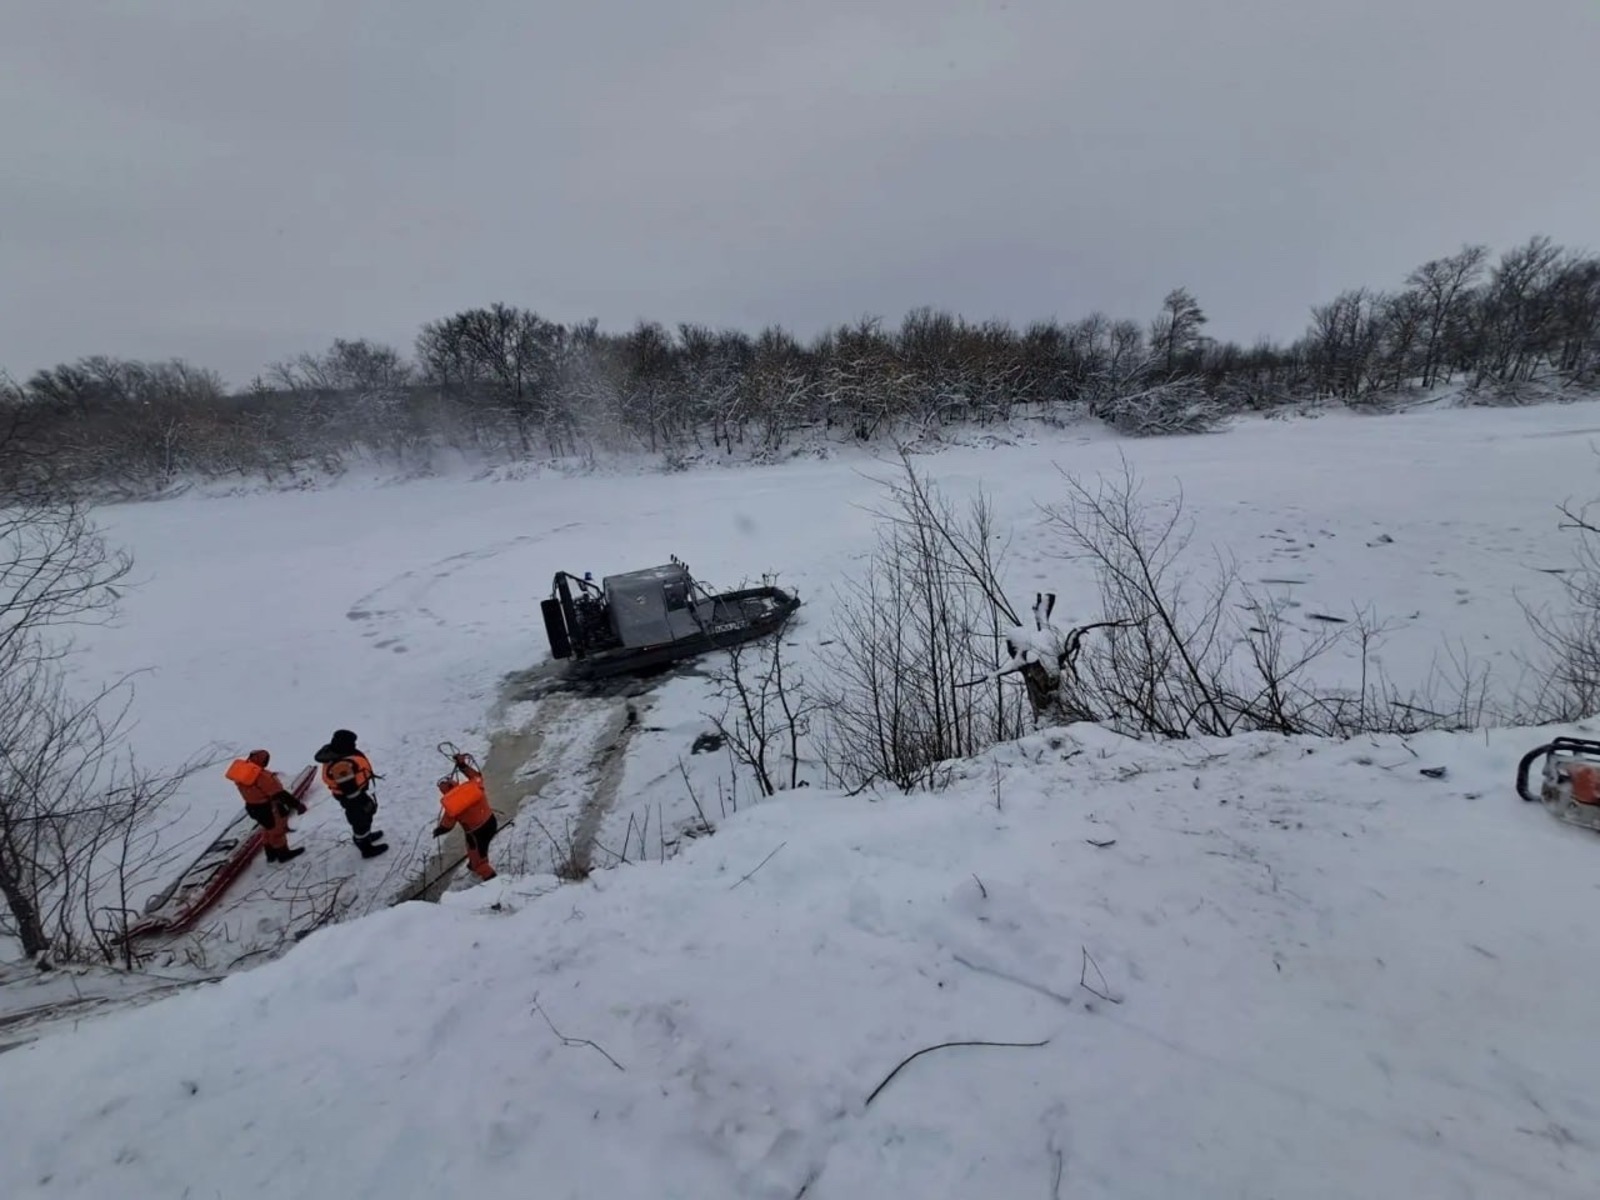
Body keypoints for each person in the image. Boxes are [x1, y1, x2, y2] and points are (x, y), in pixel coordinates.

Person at [312, 729, 389, 858]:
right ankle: (365, 848)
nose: (355, 745)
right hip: (352, 797)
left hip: (355, 793)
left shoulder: (339, 753)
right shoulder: (341, 765)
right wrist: (364, 801)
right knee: (360, 819)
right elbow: (350, 790)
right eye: (352, 743)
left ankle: (366, 836)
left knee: (365, 816)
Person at [224, 749, 306, 864]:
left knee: (267, 829)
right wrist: (297, 805)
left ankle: (271, 854)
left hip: (253, 807)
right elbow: (279, 793)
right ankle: (283, 854)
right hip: (267, 807)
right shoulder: (261, 775)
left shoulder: (243, 772)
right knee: (277, 830)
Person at [433, 753, 498, 881]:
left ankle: (492, 881)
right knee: (475, 848)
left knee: (479, 861)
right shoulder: (473, 786)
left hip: (476, 833)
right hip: (491, 822)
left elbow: (447, 825)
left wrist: (438, 830)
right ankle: (475, 862)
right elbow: (476, 776)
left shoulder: (452, 805)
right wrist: (462, 765)